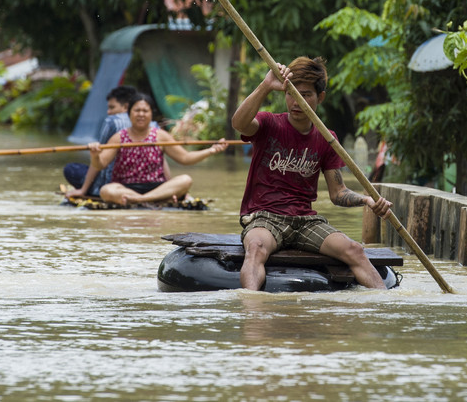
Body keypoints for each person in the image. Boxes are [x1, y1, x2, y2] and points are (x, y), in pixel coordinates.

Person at [231, 56, 393, 290]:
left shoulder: (328, 139)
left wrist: (367, 200)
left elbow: (338, 193)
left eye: (305, 94)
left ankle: (384, 306)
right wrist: (266, 85)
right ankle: (252, 312)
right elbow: (238, 123)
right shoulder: (269, 124)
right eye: (291, 94)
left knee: (355, 250)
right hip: (265, 217)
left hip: (306, 221)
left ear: (320, 97)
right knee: (255, 247)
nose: (297, 102)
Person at [64, 93, 228, 206]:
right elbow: (100, 164)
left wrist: (211, 150)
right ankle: (148, 200)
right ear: (129, 114)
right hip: (126, 189)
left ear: (151, 114)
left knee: (185, 180)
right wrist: (95, 154)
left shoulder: (161, 136)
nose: (141, 114)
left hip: (157, 188)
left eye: (145, 110)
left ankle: (143, 199)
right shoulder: (119, 137)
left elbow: (185, 158)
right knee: (106, 190)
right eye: (137, 110)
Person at [62, 85, 141, 197]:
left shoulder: (112, 122)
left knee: (71, 169)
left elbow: (99, 162)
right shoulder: (151, 124)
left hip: (112, 183)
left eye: (112, 107)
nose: (108, 112)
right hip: (141, 181)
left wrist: (83, 190)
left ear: (126, 107)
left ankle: (91, 188)